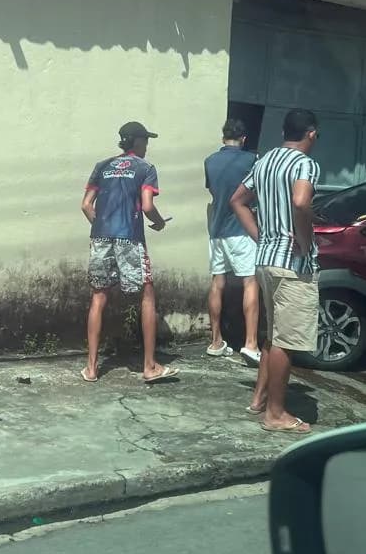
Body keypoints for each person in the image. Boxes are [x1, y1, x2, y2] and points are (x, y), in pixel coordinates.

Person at [230, 108, 320, 434]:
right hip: (292, 265)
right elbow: (301, 202)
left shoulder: (265, 161)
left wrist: (261, 236)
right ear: (311, 134)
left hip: (265, 259)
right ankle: (276, 414)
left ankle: (259, 399)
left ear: (284, 132)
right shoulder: (305, 164)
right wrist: (305, 240)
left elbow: (237, 201)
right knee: (286, 341)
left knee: (273, 335)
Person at [80, 121, 179, 384]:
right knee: (147, 295)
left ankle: (91, 368)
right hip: (130, 238)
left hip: (100, 236)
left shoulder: (102, 166)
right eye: (145, 140)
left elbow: (86, 205)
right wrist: (159, 222)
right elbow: (147, 206)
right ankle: (150, 366)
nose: (147, 145)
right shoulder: (145, 168)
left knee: (98, 297)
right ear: (137, 141)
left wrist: (102, 226)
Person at [203, 118, 259, 359]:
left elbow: (213, 191)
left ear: (223, 138)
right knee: (250, 281)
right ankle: (251, 344)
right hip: (241, 229)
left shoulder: (209, 161)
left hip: (216, 230)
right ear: (244, 139)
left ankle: (216, 341)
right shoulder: (252, 160)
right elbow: (254, 192)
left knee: (218, 282)